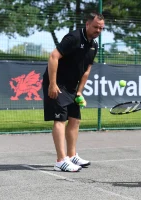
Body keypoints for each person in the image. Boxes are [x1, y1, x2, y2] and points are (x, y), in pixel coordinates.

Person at [42, 12, 105, 172]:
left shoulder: (94, 45)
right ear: (87, 24)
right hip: (57, 84)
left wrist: (79, 92)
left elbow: (86, 70)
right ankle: (60, 160)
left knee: (75, 119)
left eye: (101, 28)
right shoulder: (73, 38)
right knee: (60, 120)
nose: (98, 30)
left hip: (71, 87)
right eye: (96, 27)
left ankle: (71, 156)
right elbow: (53, 57)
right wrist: (52, 84)